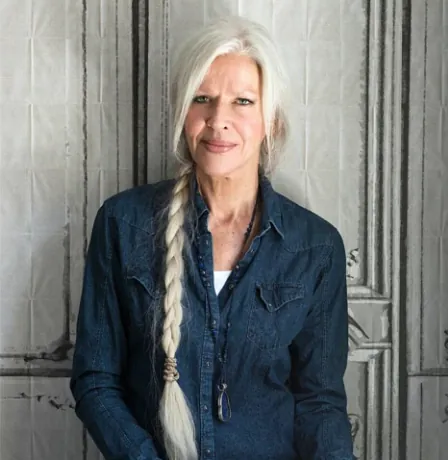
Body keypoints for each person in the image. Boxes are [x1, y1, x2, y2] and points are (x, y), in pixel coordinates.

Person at [70, 15, 354, 460]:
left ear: (271, 122)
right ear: (184, 113)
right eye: (202, 99)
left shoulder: (315, 248)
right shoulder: (123, 224)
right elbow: (96, 379)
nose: (218, 119)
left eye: (242, 101)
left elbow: (319, 401)